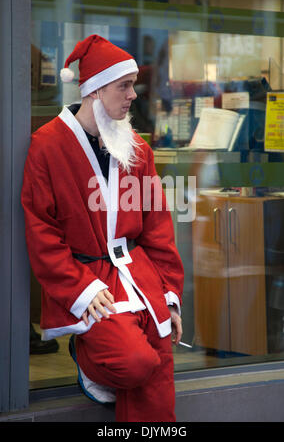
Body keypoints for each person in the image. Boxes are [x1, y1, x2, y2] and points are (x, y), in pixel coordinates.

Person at [21, 34, 184, 422]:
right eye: (123, 86)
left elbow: (157, 227)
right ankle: (87, 354)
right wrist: (78, 288)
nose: (133, 96)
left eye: (133, 86)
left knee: (160, 364)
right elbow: (41, 231)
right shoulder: (47, 146)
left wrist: (169, 293)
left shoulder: (137, 149)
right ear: (94, 90)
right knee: (135, 363)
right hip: (90, 279)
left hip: (140, 276)